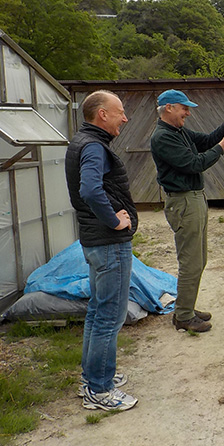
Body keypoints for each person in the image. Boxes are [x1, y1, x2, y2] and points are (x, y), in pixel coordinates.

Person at [65, 90, 138, 411]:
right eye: (119, 112)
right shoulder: (94, 146)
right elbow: (91, 190)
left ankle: (93, 376)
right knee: (110, 316)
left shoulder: (82, 141)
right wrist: (115, 221)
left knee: (97, 312)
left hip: (95, 242)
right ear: (102, 114)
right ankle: (99, 389)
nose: (125, 118)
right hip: (108, 243)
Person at [150, 89, 224, 333]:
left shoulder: (178, 131)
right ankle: (183, 316)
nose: (188, 113)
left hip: (193, 199)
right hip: (183, 202)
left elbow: (205, 141)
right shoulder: (163, 137)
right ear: (169, 108)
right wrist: (222, 147)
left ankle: (186, 308)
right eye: (184, 108)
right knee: (190, 262)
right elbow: (194, 164)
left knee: (199, 259)